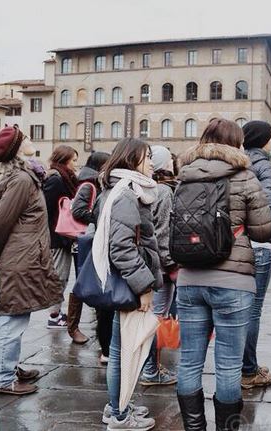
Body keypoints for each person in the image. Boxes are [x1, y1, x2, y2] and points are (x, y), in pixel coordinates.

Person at [175, 119, 271, 431]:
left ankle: (194, 428)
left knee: (190, 361)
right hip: (234, 281)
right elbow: (264, 229)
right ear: (236, 143)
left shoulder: (184, 177)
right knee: (229, 365)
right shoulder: (244, 176)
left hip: (190, 279)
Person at [0, 126, 63, 395]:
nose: (29, 139)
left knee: (17, 317)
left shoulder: (27, 176)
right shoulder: (22, 181)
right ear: (17, 149)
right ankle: (2, 378)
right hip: (19, 258)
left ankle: (10, 367)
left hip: (25, 256)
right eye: (24, 138)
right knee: (11, 319)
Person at [93, 138, 162, 431]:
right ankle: (120, 416)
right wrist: (144, 286)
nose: (151, 164)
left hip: (121, 280)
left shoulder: (118, 189)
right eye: (147, 157)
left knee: (120, 348)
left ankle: (116, 406)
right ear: (132, 160)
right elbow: (121, 248)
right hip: (128, 283)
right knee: (123, 352)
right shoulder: (125, 195)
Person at [240, 121, 271, 389]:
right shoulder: (263, 164)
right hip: (260, 245)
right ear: (264, 139)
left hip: (239, 243)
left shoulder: (240, 161)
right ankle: (248, 370)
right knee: (253, 311)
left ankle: (243, 364)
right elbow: (269, 205)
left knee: (240, 307)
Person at [140, 145, 178, 386]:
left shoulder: (145, 186)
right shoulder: (163, 191)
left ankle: (148, 367)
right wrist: (170, 265)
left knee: (148, 318)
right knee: (155, 319)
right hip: (159, 267)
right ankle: (151, 370)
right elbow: (162, 232)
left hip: (146, 264)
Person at [70, 151, 111, 346]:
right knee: (82, 280)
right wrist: (99, 215)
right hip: (86, 238)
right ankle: (73, 326)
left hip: (92, 237)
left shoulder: (95, 182)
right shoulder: (88, 184)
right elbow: (77, 211)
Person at [43, 145, 79, 329]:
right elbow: (46, 209)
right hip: (56, 236)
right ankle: (53, 315)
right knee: (59, 275)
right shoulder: (56, 179)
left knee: (61, 275)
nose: (75, 164)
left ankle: (56, 312)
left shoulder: (63, 177)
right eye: (73, 160)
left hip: (61, 234)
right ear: (65, 160)